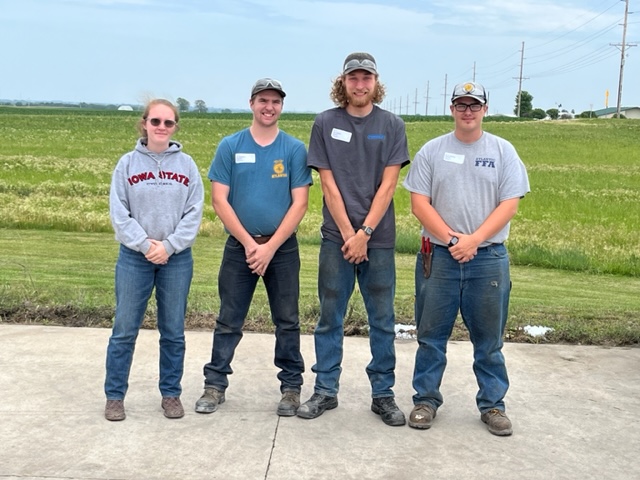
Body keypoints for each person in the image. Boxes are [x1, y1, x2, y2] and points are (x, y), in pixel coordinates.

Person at [402, 81, 530, 436]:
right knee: (431, 337)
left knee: (489, 342)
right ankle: (425, 401)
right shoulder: (432, 151)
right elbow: (419, 203)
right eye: (461, 104)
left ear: (485, 109)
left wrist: (473, 240)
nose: (468, 111)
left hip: (488, 258)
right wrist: (453, 239)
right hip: (439, 258)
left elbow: (509, 204)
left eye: (474, 105)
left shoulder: (503, 152)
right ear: (452, 109)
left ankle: (493, 405)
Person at [296, 53, 410, 427]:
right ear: (342, 82)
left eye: (366, 78)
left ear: (376, 82)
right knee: (330, 317)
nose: (360, 85)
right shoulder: (325, 123)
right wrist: (349, 234)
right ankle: (325, 390)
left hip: (378, 240)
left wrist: (365, 233)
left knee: (382, 320)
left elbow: (388, 186)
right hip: (337, 240)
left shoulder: (391, 125)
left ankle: (383, 395)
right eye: (353, 78)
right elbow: (327, 184)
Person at [195, 78, 312, 417]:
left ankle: (291, 388)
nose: (268, 107)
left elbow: (300, 203)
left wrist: (270, 247)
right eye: (263, 100)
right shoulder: (230, 146)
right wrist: (250, 245)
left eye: (275, 101)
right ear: (251, 103)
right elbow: (220, 200)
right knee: (229, 319)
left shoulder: (293, 149)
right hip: (240, 248)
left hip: (281, 249)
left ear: (281, 107)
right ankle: (214, 385)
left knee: (287, 320)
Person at [105, 99, 205, 421]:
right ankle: (115, 396)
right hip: (134, 258)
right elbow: (119, 213)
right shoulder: (127, 164)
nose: (162, 127)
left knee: (173, 330)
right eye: (156, 121)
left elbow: (194, 212)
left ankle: (171, 394)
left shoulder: (187, 165)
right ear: (145, 123)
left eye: (168, 122)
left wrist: (170, 246)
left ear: (175, 127)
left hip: (176, 259)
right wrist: (145, 245)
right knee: (124, 330)